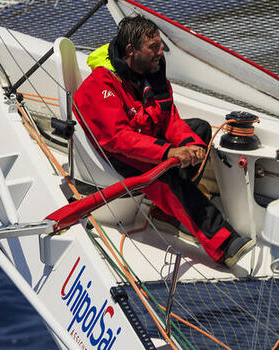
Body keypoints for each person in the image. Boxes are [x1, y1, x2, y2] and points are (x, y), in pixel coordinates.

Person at [73, 15, 254, 267]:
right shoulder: (101, 85)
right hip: (118, 155)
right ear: (131, 50)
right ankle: (224, 244)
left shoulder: (152, 73)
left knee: (199, 131)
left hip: (146, 141)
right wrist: (168, 152)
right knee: (168, 178)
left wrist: (189, 143)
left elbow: (169, 119)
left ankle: (165, 212)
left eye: (160, 44)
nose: (161, 51)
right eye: (154, 46)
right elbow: (118, 139)